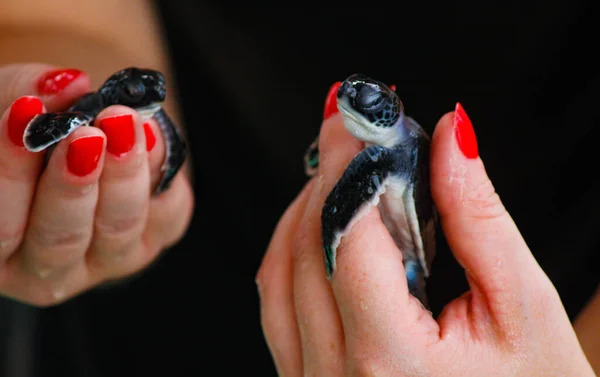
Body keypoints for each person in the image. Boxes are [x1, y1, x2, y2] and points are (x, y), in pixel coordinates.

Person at [0, 1, 597, 376]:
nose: (353, 104)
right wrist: (128, 174)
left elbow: (348, 189)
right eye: (351, 98)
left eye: (369, 104)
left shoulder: (392, 150)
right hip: (162, 308)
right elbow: (53, 16)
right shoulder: (358, 134)